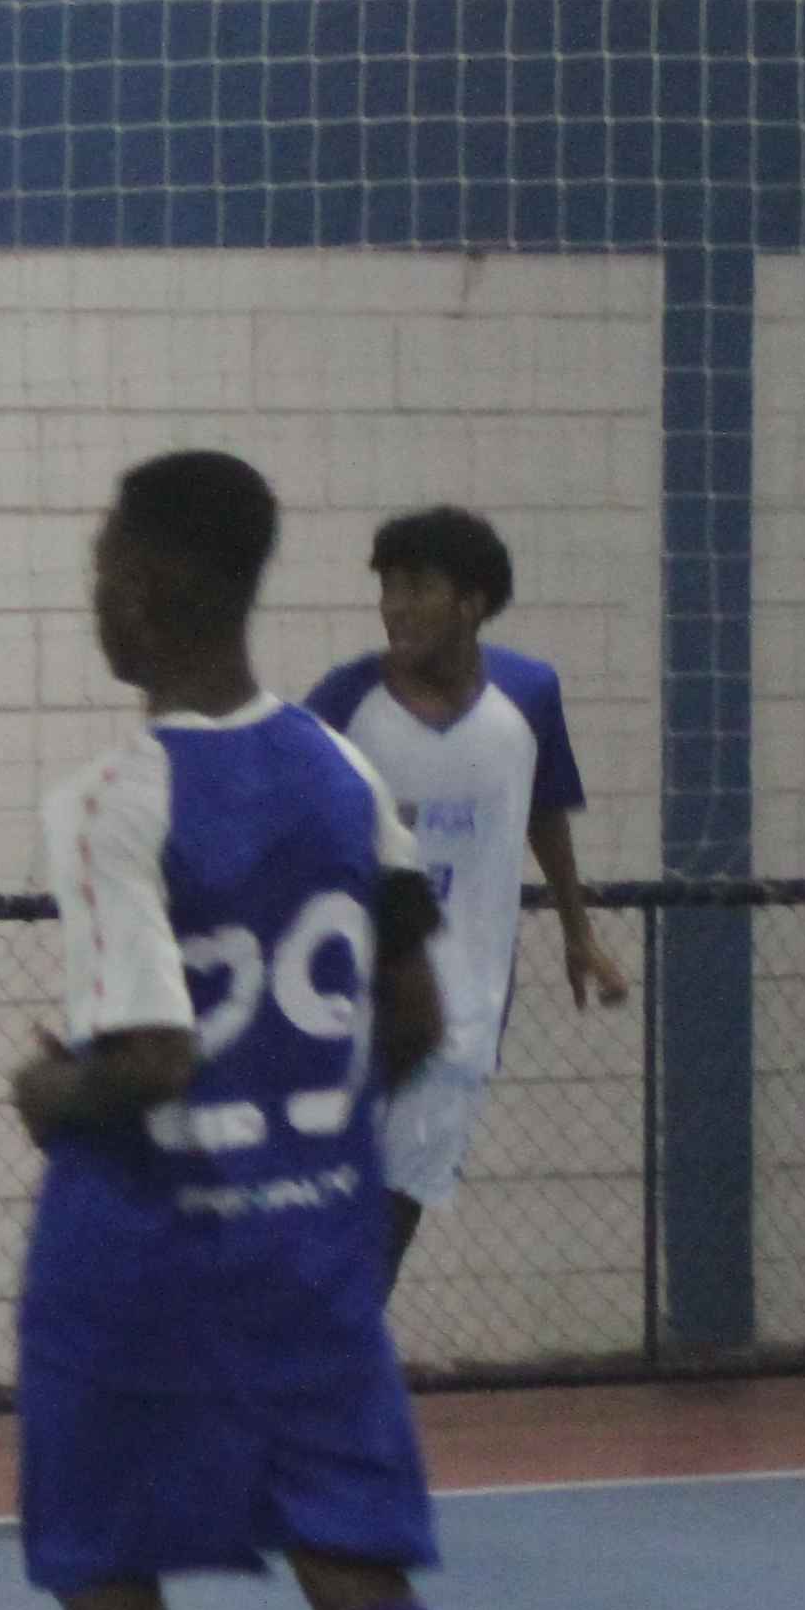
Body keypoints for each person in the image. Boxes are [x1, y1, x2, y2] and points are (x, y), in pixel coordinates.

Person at [12, 451, 476, 1610]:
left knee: (94, 1573)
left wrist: (39, 1087)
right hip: (303, 1250)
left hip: (140, 1256)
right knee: (352, 1563)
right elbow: (408, 1019)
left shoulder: (104, 800)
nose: (90, 586)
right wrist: (306, 1152)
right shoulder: (342, 776)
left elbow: (138, 1053)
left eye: (97, 556)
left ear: (146, 582)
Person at [298, 505, 627, 1281]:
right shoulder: (344, 702)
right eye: (387, 589)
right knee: (322, 1212)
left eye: (417, 588)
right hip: (350, 1005)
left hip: (461, 1013)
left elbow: (545, 809)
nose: (396, 608)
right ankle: (315, 1372)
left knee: (388, 1218)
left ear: (471, 602)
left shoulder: (529, 695)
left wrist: (578, 934)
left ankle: (331, 1371)